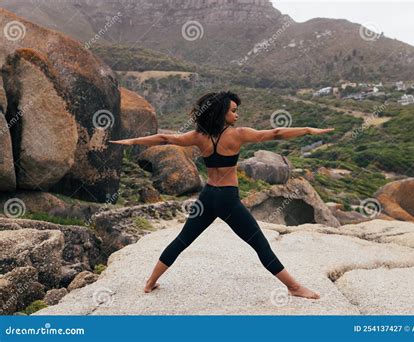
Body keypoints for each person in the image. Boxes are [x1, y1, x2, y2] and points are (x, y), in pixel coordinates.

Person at [109, 91, 335, 300]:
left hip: (208, 197)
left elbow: (164, 139)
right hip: (227, 199)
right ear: (222, 113)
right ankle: (294, 288)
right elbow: (275, 133)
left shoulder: (199, 136)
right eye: (233, 111)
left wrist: (132, 141)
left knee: (181, 241)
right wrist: (307, 130)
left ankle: (149, 283)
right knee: (259, 244)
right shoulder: (238, 135)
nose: (237, 115)